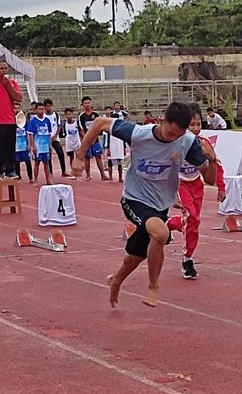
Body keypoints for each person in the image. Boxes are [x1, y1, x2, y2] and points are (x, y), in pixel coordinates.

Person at [72, 101, 217, 308]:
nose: (173, 139)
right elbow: (99, 123)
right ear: (161, 120)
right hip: (134, 198)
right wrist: (79, 156)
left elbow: (210, 180)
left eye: (178, 135)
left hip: (160, 204)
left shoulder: (187, 141)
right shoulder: (138, 134)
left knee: (138, 252)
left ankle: (115, 279)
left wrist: (212, 161)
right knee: (160, 234)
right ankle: (153, 287)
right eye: (170, 133)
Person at [166, 106, 226, 279]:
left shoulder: (204, 143)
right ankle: (187, 260)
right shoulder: (176, 143)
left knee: (193, 222)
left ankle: (170, 225)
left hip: (196, 185)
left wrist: (221, 187)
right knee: (192, 218)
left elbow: (217, 165)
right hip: (180, 184)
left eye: (198, 124)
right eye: (191, 125)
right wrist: (171, 192)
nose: (196, 128)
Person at [77, 96, 109, 181]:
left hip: (96, 140)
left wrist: (94, 137)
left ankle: (103, 175)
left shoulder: (96, 115)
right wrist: (86, 139)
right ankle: (88, 175)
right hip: (86, 141)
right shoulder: (81, 116)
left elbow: (100, 127)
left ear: (91, 103)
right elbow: (81, 129)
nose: (87, 105)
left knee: (98, 157)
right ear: (82, 105)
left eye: (88, 103)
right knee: (87, 157)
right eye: (85, 103)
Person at [27, 102, 53, 185]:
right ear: (36, 110)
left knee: (46, 163)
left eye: (42, 109)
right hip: (38, 146)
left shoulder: (47, 121)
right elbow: (30, 134)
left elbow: (49, 134)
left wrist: (50, 145)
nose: (41, 111)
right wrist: (32, 146)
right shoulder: (33, 121)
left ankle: (48, 180)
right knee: (37, 163)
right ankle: (36, 180)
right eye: (39, 109)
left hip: (45, 146)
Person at [44, 99, 68, 177]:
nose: (48, 108)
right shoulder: (43, 116)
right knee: (49, 156)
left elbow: (59, 126)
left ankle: (64, 171)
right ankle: (50, 173)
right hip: (47, 139)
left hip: (55, 139)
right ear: (45, 107)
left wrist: (55, 136)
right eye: (47, 106)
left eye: (50, 106)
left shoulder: (56, 115)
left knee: (60, 153)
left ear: (52, 106)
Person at [14, 104, 33, 183]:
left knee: (28, 162)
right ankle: (18, 177)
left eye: (18, 108)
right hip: (15, 145)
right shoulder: (11, 120)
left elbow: (28, 133)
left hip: (24, 144)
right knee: (16, 162)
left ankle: (31, 177)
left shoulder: (24, 120)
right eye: (15, 108)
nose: (17, 110)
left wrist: (29, 144)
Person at [63, 108, 80, 180]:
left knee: (78, 156)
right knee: (71, 157)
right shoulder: (64, 124)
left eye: (70, 114)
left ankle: (78, 170)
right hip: (69, 142)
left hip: (76, 141)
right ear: (65, 115)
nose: (69, 116)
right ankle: (73, 170)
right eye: (67, 114)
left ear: (72, 115)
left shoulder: (77, 123)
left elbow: (81, 131)